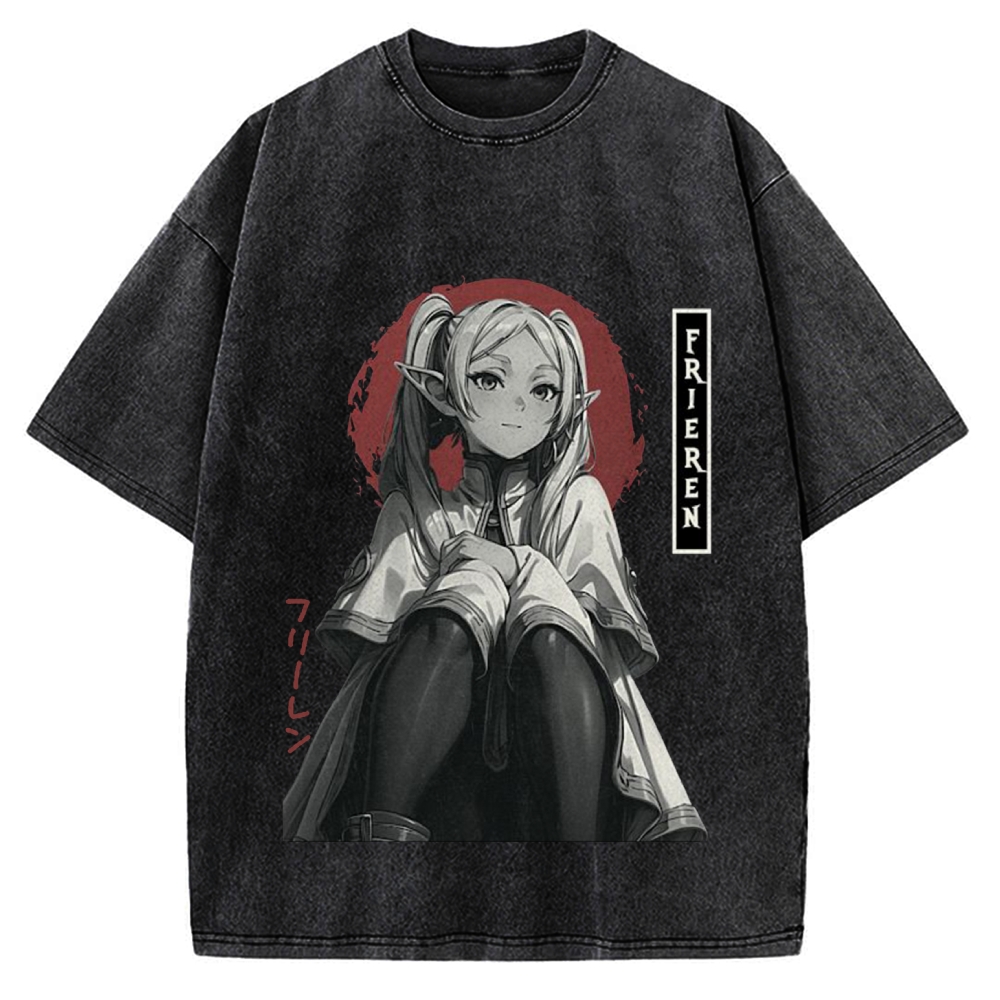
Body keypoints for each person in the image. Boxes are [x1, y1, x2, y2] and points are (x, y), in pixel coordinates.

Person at [282, 294, 707, 842]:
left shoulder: (578, 502)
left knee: (543, 619)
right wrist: (472, 587)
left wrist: (513, 565)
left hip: (561, 727)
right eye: (489, 379)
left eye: (543, 389)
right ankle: (380, 846)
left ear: (564, 406)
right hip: (440, 759)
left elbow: (603, 632)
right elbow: (377, 639)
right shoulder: (416, 510)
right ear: (443, 392)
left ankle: (583, 861)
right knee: (467, 590)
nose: (519, 404)